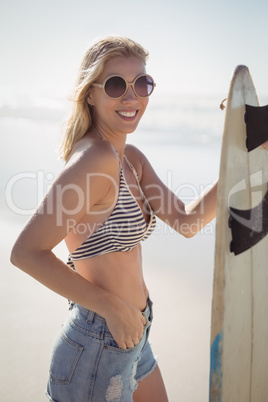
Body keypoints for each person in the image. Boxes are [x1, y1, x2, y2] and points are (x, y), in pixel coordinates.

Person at [10, 36, 217, 401]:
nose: (132, 96)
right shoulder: (96, 160)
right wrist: (112, 308)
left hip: (132, 335)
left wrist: (244, 159)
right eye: (117, 85)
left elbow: (186, 222)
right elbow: (26, 252)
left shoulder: (130, 158)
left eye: (142, 83)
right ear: (90, 93)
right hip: (100, 340)